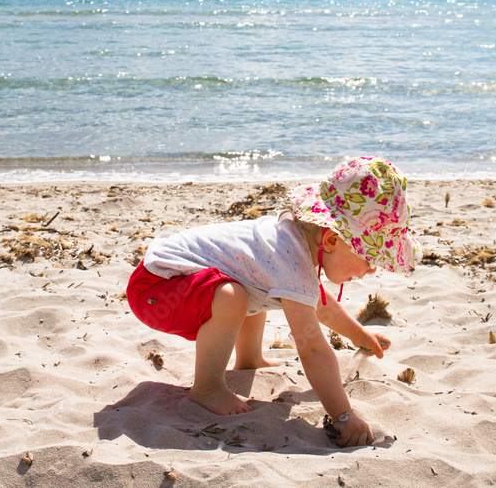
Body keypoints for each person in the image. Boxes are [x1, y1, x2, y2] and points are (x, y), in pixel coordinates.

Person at [126, 156, 421, 447]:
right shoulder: (289, 259)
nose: (373, 269)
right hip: (156, 288)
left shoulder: (293, 242)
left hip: (166, 282)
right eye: (370, 258)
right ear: (331, 240)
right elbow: (313, 349)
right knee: (231, 296)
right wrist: (343, 416)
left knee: (250, 282)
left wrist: (360, 335)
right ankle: (208, 387)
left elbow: (320, 304)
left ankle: (249, 358)